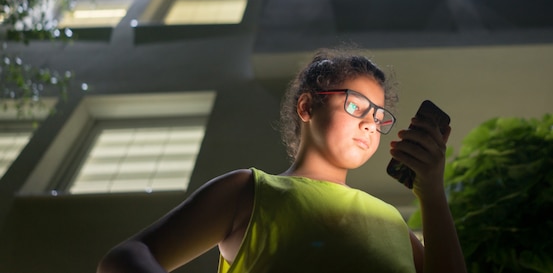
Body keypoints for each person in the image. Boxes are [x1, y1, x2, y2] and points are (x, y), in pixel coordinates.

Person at [97, 48, 467, 273]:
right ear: (307, 106)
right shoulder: (251, 191)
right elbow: (127, 257)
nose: (371, 123)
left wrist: (432, 194)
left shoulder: (392, 222)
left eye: (380, 116)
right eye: (356, 105)